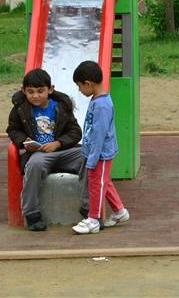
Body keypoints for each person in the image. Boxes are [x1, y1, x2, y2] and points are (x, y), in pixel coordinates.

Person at [7, 68, 88, 231]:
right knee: (34, 165)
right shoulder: (20, 108)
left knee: (89, 157)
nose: (35, 96)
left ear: (50, 89)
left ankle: (89, 206)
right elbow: (13, 130)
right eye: (30, 92)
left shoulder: (61, 106)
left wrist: (58, 143)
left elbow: (75, 131)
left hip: (63, 151)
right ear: (23, 90)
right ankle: (31, 213)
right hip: (39, 153)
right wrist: (24, 140)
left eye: (40, 91)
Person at [71, 61, 129, 234]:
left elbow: (99, 134)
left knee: (96, 184)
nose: (80, 90)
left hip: (100, 154)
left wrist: (92, 158)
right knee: (104, 182)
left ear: (88, 84)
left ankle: (93, 219)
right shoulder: (98, 100)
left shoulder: (102, 105)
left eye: (80, 86)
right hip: (96, 153)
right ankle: (119, 211)